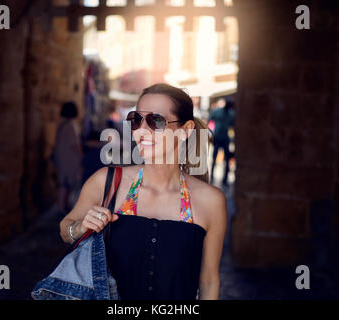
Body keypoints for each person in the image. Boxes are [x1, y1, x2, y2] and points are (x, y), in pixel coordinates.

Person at [59, 83, 227, 300]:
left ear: (185, 131)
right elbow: (65, 229)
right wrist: (81, 227)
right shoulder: (107, 182)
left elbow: (209, 280)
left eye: (156, 121)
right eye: (136, 120)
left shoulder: (210, 201)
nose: (141, 131)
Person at [53, 102, 82, 216]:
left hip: (62, 157)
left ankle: (63, 206)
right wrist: (81, 156)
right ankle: (62, 207)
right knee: (65, 183)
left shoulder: (61, 124)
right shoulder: (70, 125)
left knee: (64, 183)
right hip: (69, 159)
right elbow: (74, 144)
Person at [208, 97, 235, 186]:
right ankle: (211, 176)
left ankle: (225, 178)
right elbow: (209, 121)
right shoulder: (217, 111)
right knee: (214, 157)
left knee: (226, 159)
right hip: (218, 137)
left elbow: (234, 125)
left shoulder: (231, 114)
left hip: (225, 138)